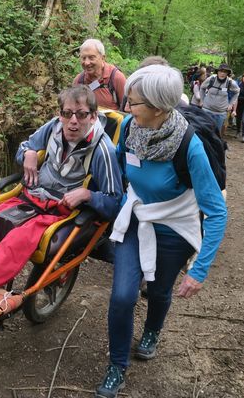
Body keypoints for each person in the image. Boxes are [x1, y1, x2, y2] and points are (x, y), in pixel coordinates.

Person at [0, 86, 123, 351]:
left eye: (81, 115)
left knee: (16, 241)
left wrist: (87, 195)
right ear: (60, 114)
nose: (73, 121)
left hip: (59, 210)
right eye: (67, 113)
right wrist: (26, 153)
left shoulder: (103, 150)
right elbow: (27, 146)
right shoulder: (52, 127)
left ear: (93, 116)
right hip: (30, 196)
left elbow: (115, 200)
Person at [95, 64, 227, 398]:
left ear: (158, 107)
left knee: (158, 291)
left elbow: (216, 211)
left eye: (134, 103)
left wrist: (199, 270)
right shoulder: (129, 128)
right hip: (137, 219)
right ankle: (117, 366)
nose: (127, 108)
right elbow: (118, 162)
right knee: (123, 296)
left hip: (173, 229)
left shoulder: (190, 148)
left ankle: (152, 330)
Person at [73, 39, 127, 110]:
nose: (86, 62)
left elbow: (128, 110)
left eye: (91, 58)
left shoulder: (116, 78)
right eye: (83, 58)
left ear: (103, 58)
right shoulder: (79, 81)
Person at [200, 63, 240, 134]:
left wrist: (231, 104)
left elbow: (237, 92)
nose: (222, 73)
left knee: (216, 134)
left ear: (227, 73)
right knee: (204, 132)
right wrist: (202, 100)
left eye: (225, 72)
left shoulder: (230, 83)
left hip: (220, 113)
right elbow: (202, 88)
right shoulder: (211, 79)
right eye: (221, 71)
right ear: (217, 72)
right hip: (206, 110)